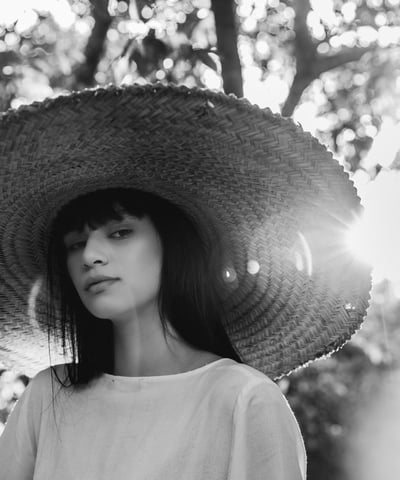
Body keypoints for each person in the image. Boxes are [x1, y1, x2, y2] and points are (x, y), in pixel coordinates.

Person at [0, 83, 371, 479]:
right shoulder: (46, 398)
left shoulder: (243, 400)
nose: (90, 256)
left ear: (173, 245)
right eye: (75, 243)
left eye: (120, 232)